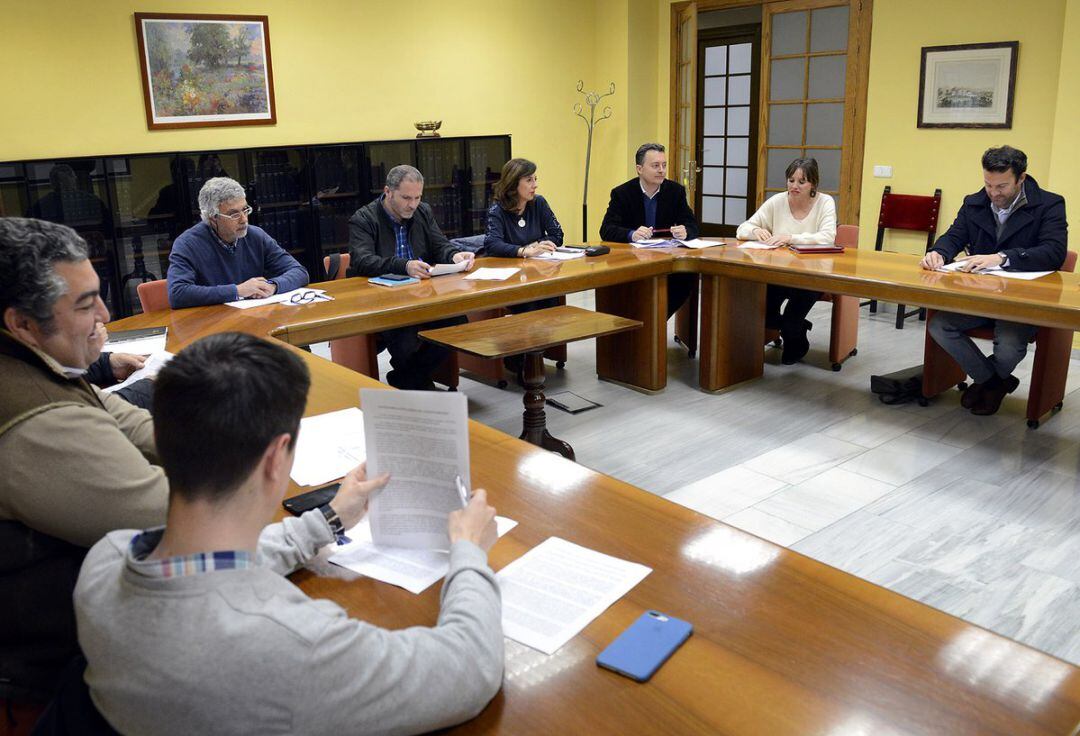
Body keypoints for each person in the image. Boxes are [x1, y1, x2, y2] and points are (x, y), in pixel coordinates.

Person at [74, 332, 504, 735]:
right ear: (276, 459)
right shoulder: (290, 643)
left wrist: (327, 520)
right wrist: (469, 554)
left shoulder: (104, 563)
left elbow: (213, 562)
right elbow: (467, 668)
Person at [0, 218, 168, 703]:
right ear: (23, 324)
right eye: (84, 305)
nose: (106, 314)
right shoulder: (35, 419)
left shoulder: (36, 361)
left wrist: (217, 441)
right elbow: (166, 515)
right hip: (54, 668)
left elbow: (123, 418)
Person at [920, 145, 1067, 416]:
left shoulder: (1049, 204)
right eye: (988, 184)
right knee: (940, 326)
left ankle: (986, 383)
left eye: (1001, 186)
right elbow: (954, 235)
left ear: (1021, 178)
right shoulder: (974, 201)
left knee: (1009, 348)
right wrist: (938, 253)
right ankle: (994, 382)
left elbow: (1054, 252)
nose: (993, 193)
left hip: (1020, 303)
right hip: (980, 297)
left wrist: (1002, 257)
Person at [347, 165, 476, 390]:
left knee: (458, 326)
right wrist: (404, 266)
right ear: (388, 192)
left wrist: (455, 255)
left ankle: (407, 379)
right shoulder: (364, 218)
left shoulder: (422, 212)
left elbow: (439, 245)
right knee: (405, 337)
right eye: (406, 198)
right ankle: (416, 382)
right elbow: (362, 261)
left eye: (417, 197)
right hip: (382, 300)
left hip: (422, 295)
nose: (413, 204)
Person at [736, 158, 837, 365]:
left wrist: (791, 237)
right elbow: (742, 230)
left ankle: (796, 335)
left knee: (791, 324)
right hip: (778, 274)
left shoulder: (825, 202)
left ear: (813, 184)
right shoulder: (777, 201)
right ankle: (798, 326)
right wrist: (756, 230)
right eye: (791, 180)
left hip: (811, 276)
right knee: (762, 315)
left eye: (802, 182)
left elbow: (827, 237)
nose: (794, 186)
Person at [166, 176, 310, 308]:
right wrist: (237, 290)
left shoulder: (256, 236)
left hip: (255, 318)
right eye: (234, 214)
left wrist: (272, 286)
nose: (244, 219)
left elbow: (300, 272)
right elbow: (178, 294)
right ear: (212, 218)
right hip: (212, 326)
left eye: (245, 210)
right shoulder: (187, 244)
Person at [599, 142, 699, 318]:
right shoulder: (622, 193)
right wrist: (632, 234)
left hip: (666, 259)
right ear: (639, 168)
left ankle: (657, 319)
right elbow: (606, 229)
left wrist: (686, 231)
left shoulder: (675, 191)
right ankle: (639, 322)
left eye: (664, 165)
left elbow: (692, 225)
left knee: (687, 276)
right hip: (633, 260)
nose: (661, 170)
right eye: (655, 166)